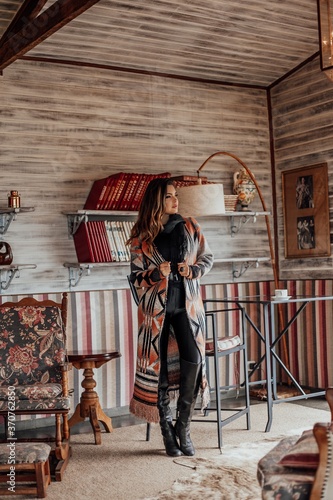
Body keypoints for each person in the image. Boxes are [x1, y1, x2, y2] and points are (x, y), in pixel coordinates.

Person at [127, 178, 214, 457]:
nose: (175, 200)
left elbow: (208, 257)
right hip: (157, 312)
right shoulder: (141, 236)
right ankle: (166, 430)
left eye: (176, 195)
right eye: (169, 196)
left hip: (188, 309)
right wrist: (156, 274)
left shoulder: (190, 226)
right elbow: (135, 276)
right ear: (156, 201)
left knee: (194, 359)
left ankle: (183, 426)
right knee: (160, 368)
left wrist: (194, 271)